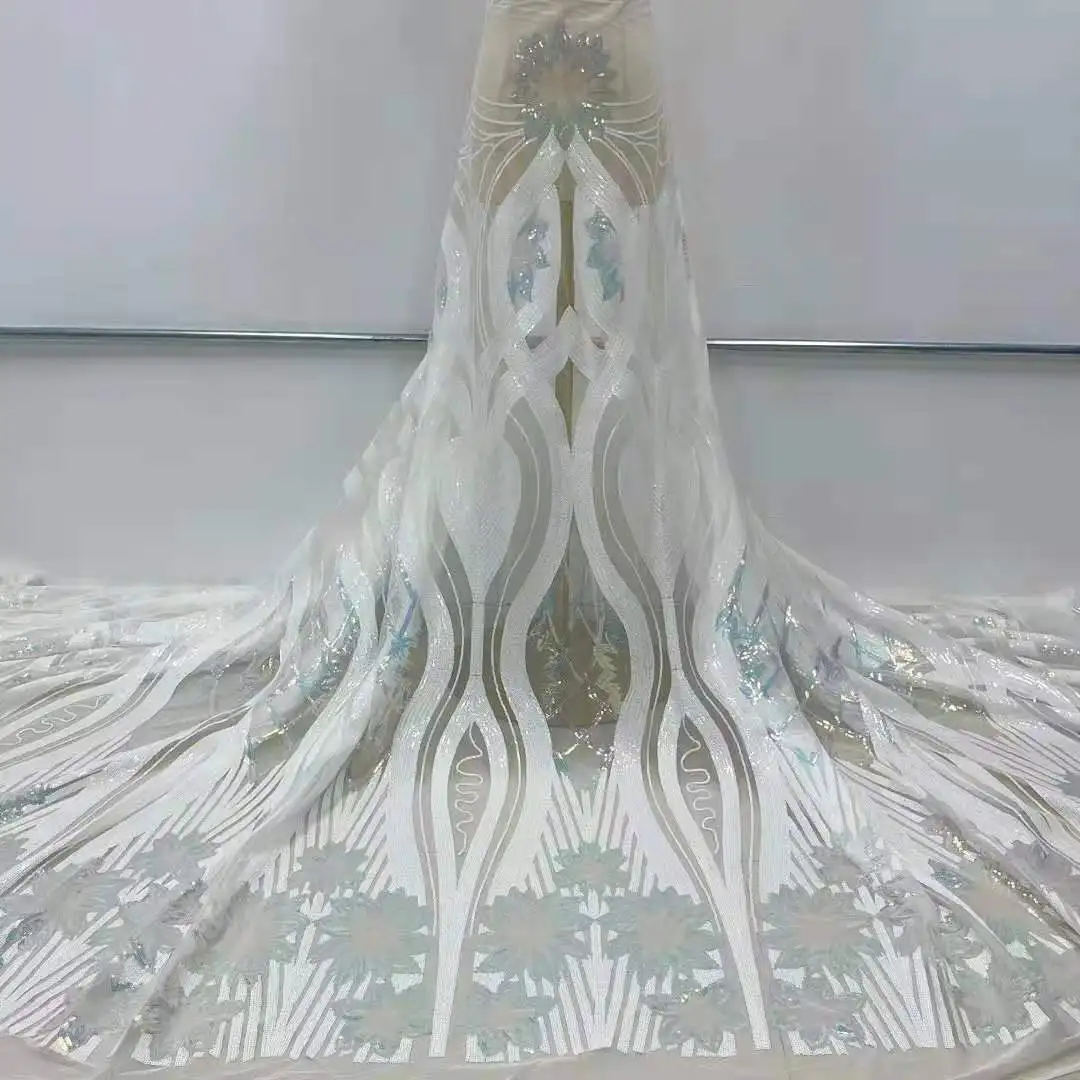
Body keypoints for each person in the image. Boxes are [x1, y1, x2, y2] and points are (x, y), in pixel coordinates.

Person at [2, 2, 1080, 1076]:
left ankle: (624, 633)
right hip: (515, 70)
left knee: (628, 361)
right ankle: (502, 626)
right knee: (500, 355)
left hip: (621, 69)